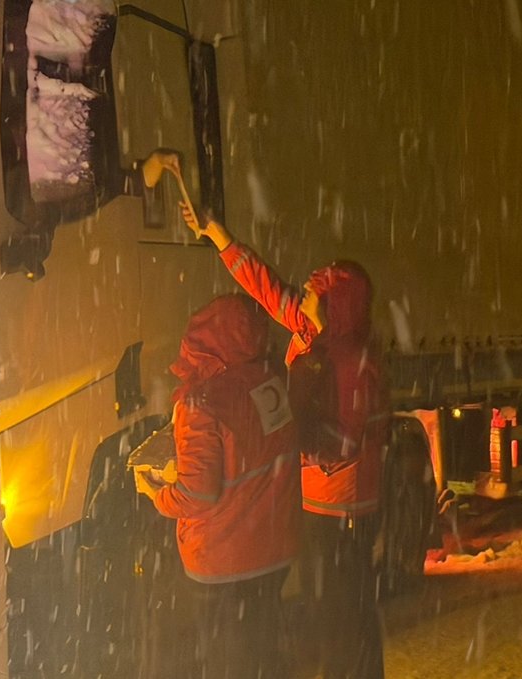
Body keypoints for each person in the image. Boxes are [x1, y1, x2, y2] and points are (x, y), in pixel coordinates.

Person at [179, 202, 389, 679]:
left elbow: (345, 445)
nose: (301, 297)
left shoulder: (351, 363)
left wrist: (288, 439)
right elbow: (266, 286)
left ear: (339, 309)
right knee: (323, 615)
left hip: (344, 515)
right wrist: (220, 238)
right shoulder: (310, 329)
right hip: (313, 504)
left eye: (314, 294)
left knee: (345, 619)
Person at [134, 293, 301, 679]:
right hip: (274, 551)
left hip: (224, 559)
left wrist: (156, 492)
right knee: (263, 655)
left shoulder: (200, 404)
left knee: (228, 663)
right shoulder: (269, 382)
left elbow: (197, 493)